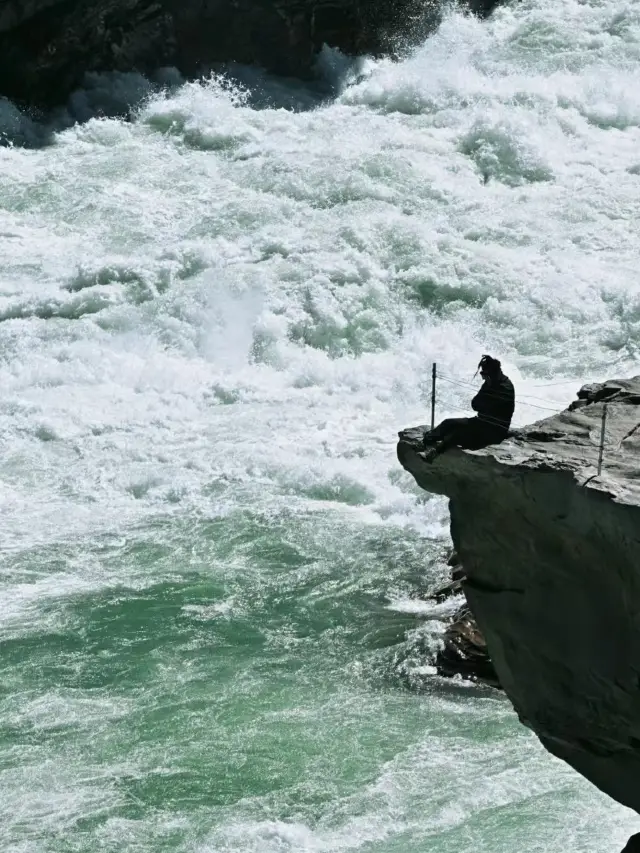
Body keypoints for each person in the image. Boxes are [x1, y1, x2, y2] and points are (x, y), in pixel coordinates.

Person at [420, 355, 515, 463]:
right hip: (481, 422)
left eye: (484, 374)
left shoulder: (505, 388)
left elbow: (483, 406)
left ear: (491, 374)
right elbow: (475, 404)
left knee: (456, 434)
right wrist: (485, 403)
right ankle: (426, 440)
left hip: (494, 431)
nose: (483, 377)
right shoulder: (491, 383)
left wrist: (484, 403)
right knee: (448, 423)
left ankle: (433, 454)